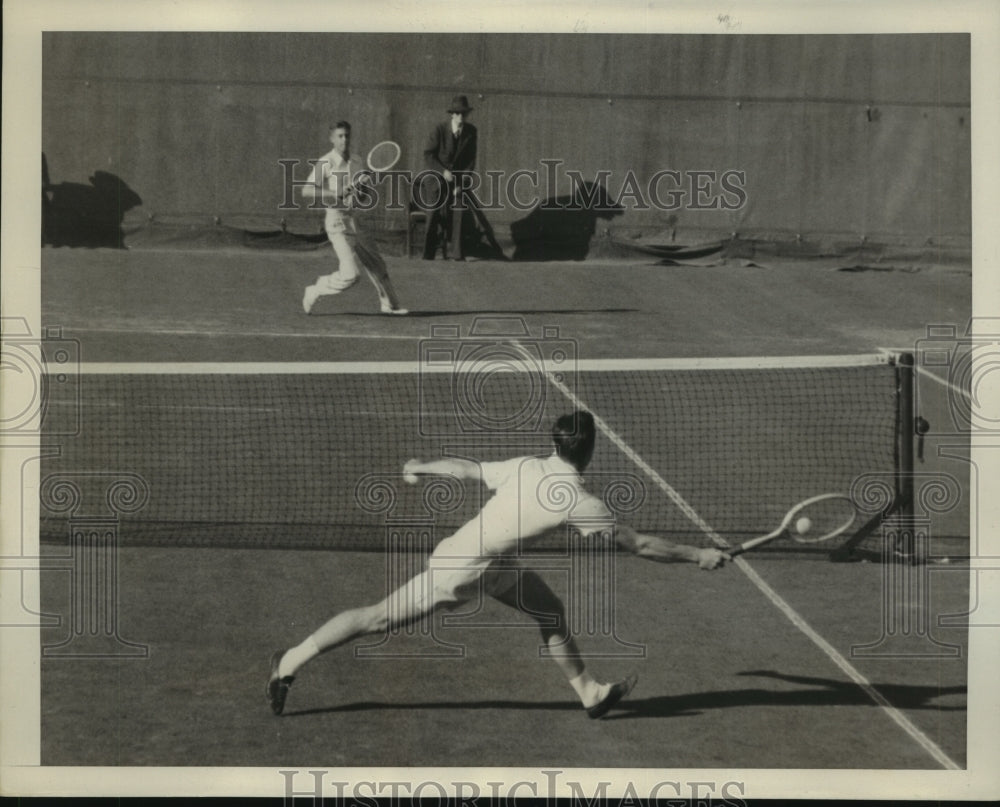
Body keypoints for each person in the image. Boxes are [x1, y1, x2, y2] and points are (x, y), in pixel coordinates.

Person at [267, 410, 729, 719]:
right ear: (588, 450)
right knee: (378, 617)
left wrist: (422, 466)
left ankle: (589, 693)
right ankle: (288, 661)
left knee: (549, 610)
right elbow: (641, 544)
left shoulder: (529, 465)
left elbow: (468, 469)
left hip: (492, 562)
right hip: (462, 569)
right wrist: (698, 555)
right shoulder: (579, 501)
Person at [300, 120, 407, 315]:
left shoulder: (357, 161)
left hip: (357, 220)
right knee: (351, 275)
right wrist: (334, 193)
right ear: (332, 139)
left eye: (347, 135)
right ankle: (316, 289)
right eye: (340, 136)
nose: (344, 140)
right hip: (337, 222)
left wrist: (364, 186)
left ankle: (390, 304)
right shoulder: (326, 162)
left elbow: (362, 196)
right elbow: (306, 191)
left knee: (377, 265)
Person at [420, 95, 478, 261]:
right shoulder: (439, 130)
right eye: (458, 114)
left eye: (464, 114)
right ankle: (428, 255)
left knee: (459, 211)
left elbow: (470, 161)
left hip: (457, 182)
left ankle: (458, 255)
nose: (461, 117)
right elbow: (428, 155)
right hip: (436, 180)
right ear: (452, 114)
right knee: (432, 215)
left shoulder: (471, 132)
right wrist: (443, 171)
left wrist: (462, 183)